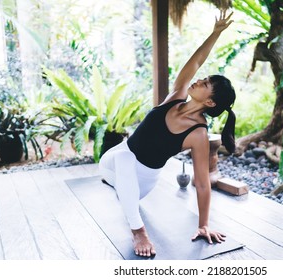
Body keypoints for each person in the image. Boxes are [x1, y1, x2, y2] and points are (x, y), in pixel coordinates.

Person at [99, 10, 235, 257]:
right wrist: (215, 33)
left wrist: (203, 224)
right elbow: (195, 62)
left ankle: (134, 218)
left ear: (211, 104)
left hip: (143, 180)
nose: (198, 81)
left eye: (205, 84)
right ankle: (136, 226)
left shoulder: (198, 134)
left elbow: (203, 183)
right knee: (121, 157)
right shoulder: (176, 96)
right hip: (115, 163)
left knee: (127, 166)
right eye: (203, 79)